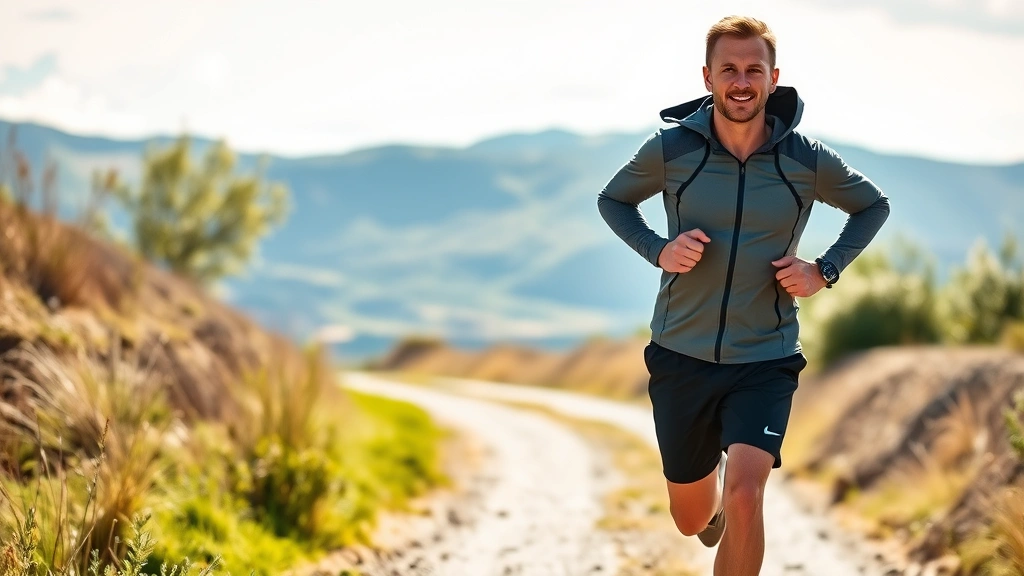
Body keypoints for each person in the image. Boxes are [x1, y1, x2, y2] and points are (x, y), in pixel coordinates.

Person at [597, 15, 890, 576]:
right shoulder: (671, 150)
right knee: (691, 517)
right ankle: (710, 524)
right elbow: (614, 200)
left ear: (773, 78)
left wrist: (824, 270)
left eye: (753, 69)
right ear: (707, 77)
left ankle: (734, 524)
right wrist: (657, 249)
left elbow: (873, 205)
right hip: (681, 353)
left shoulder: (803, 159)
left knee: (746, 495)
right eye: (728, 69)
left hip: (767, 355)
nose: (741, 81)